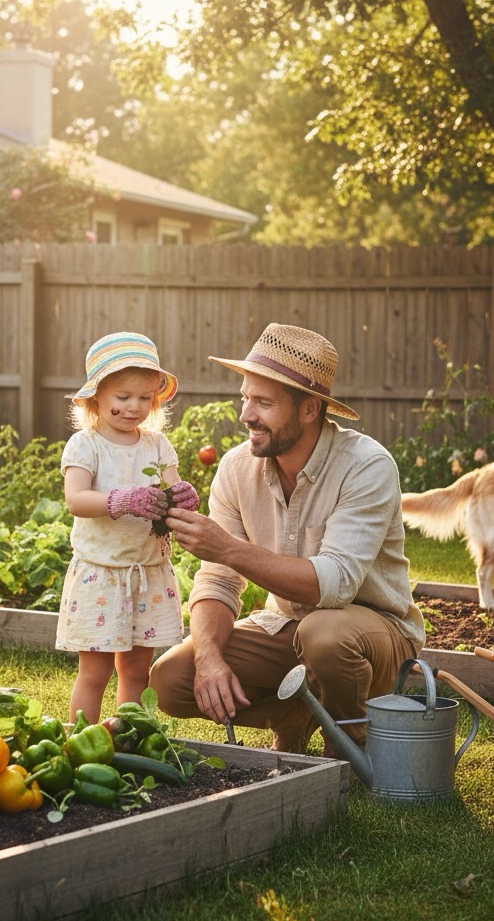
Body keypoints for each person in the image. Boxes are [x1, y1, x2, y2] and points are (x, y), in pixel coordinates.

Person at [150, 322, 425, 754]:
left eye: (263, 402)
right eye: (245, 398)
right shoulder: (237, 468)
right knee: (172, 679)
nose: (246, 415)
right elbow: (219, 581)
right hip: (289, 627)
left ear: (310, 409)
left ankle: (353, 748)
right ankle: (294, 714)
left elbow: (334, 586)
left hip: (375, 635)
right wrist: (208, 659)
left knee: (325, 634)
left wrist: (226, 547)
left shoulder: (366, 466)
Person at [57, 331, 201, 723]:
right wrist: (121, 500)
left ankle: (127, 739)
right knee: (96, 672)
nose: (133, 407)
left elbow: (170, 487)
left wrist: (182, 495)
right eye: (122, 397)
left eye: (144, 398)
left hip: (148, 575)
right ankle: (79, 744)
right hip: (102, 577)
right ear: (97, 397)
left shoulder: (156, 446)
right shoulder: (85, 445)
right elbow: (76, 500)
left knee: (136, 671)